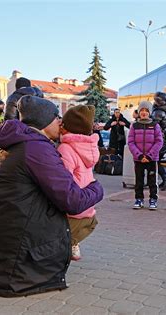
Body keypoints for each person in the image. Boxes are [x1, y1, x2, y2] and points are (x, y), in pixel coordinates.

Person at [0, 95, 104, 297]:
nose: (60, 122)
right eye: (56, 117)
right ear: (44, 121)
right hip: (11, 270)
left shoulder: (19, 142)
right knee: (83, 217)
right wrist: (97, 188)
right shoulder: (36, 148)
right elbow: (73, 201)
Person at [57, 105, 100, 261]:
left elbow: (62, 180)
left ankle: (70, 243)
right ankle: (73, 244)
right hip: (87, 204)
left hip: (72, 205)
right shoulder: (89, 147)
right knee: (89, 223)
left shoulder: (66, 148)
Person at [128, 101, 163, 210]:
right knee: (139, 180)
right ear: (139, 112)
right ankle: (139, 199)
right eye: (142, 110)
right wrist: (139, 155)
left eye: (146, 111)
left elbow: (159, 142)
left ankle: (153, 199)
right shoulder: (134, 126)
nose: (144, 113)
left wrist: (149, 155)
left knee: (152, 180)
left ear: (150, 112)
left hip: (151, 159)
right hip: (138, 159)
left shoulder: (155, 125)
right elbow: (131, 142)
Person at [151, 91, 166, 190]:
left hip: (158, 140)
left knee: (154, 161)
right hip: (165, 140)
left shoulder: (158, 112)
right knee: (156, 160)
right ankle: (163, 179)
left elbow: (152, 126)